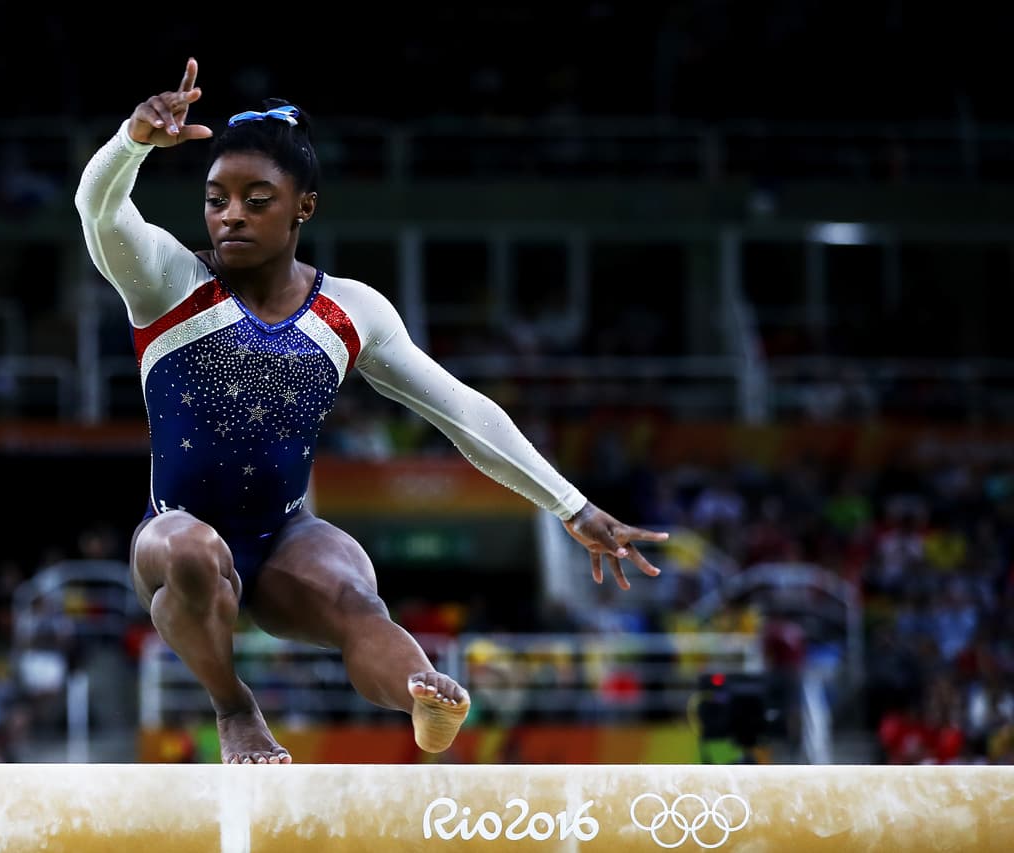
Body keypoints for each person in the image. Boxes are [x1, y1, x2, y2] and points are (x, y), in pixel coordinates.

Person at [74, 57, 670, 765]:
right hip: (172, 541)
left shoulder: (348, 310)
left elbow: (462, 412)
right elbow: (98, 208)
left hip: (282, 539)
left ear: (304, 207)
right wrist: (132, 141)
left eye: (256, 198)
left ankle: (422, 695)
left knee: (355, 591)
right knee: (192, 550)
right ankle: (235, 708)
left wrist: (573, 506)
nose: (230, 214)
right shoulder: (171, 281)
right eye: (216, 198)